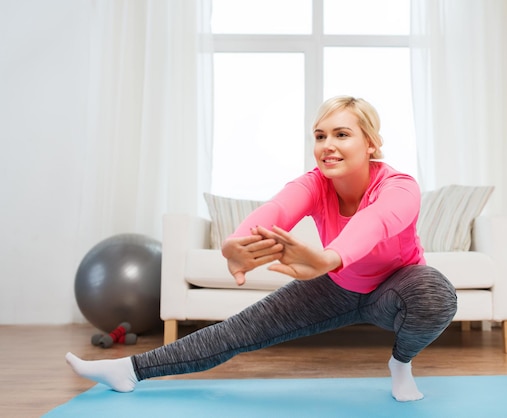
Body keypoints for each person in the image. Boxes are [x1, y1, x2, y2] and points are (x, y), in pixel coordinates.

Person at [66, 96, 457, 402]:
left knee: (434, 293)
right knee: (237, 331)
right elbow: (277, 210)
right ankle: (129, 370)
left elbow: (374, 223)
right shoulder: (314, 184)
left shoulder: (399, 186)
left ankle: (400, 364)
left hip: (395, 288)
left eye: (342, 134)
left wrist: (327, 258)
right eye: (320, 136)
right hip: (335, 285)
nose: (327, 145)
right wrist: (235, 243)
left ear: (371, 144)